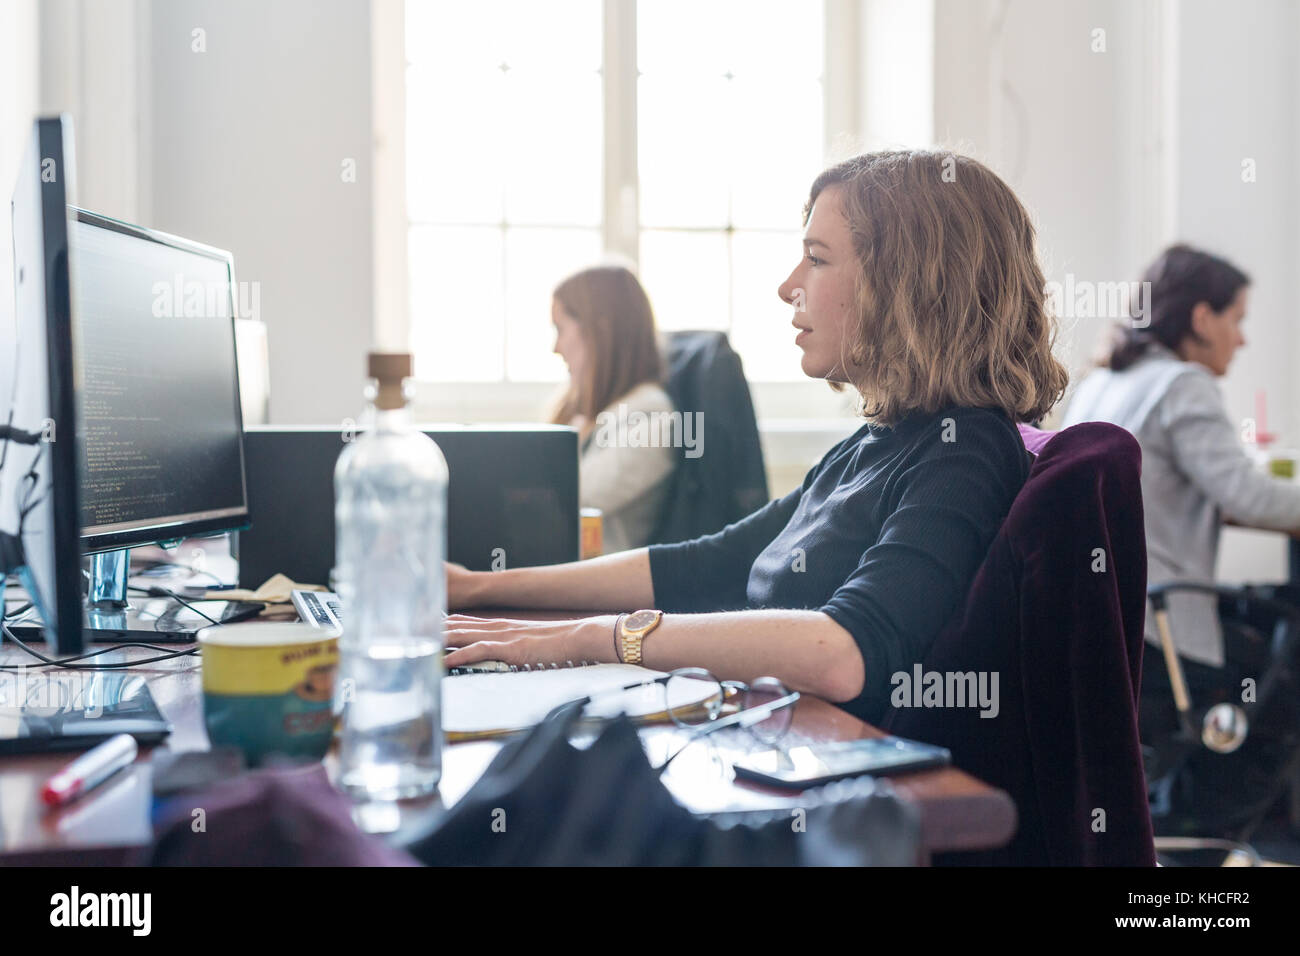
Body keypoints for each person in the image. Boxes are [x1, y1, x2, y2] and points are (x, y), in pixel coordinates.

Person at [445, 150, 1068, 723]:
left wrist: (599, 637)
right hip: (788, 740)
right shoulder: (877, 442)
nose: (787, 284)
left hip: (853, 793)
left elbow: (842, 651)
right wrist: (480, 588)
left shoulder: (964, 451)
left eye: (817, 259)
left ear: (907, 286)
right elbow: (707, 561)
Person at [1064, 244, 1300, 689]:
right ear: (1202, 319)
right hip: (1158, 628)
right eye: (1237, 319)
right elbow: (1251, 498)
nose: (1243, 339)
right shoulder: (1183, 383)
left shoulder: (1100, 382)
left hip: (1098, 617)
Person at [549, 264, 677, 554]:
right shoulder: (585, 410)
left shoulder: (653, 418)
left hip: (600, 583)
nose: (556, 347)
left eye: (560, 329)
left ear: (598, 332)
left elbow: (569, 496)